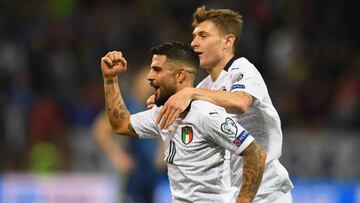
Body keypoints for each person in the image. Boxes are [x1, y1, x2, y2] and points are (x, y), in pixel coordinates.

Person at [149, 6, 294, 202]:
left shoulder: (242, 69)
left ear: (228, 40)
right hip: (235, 192)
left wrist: (190, 93)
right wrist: (164, 104)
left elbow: (241, 103)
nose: (194, 43)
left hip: (267, 192)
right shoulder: (205, 86)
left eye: (203, 35)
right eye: (194, 36)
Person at [100, 41, 267, 203]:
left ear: (180, 75)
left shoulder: (205, 114)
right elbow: (121, 124)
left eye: (157, 70)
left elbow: (256, 153)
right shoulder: (163, 113)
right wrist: (110, 78)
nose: (150, 77)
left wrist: (243, 201)